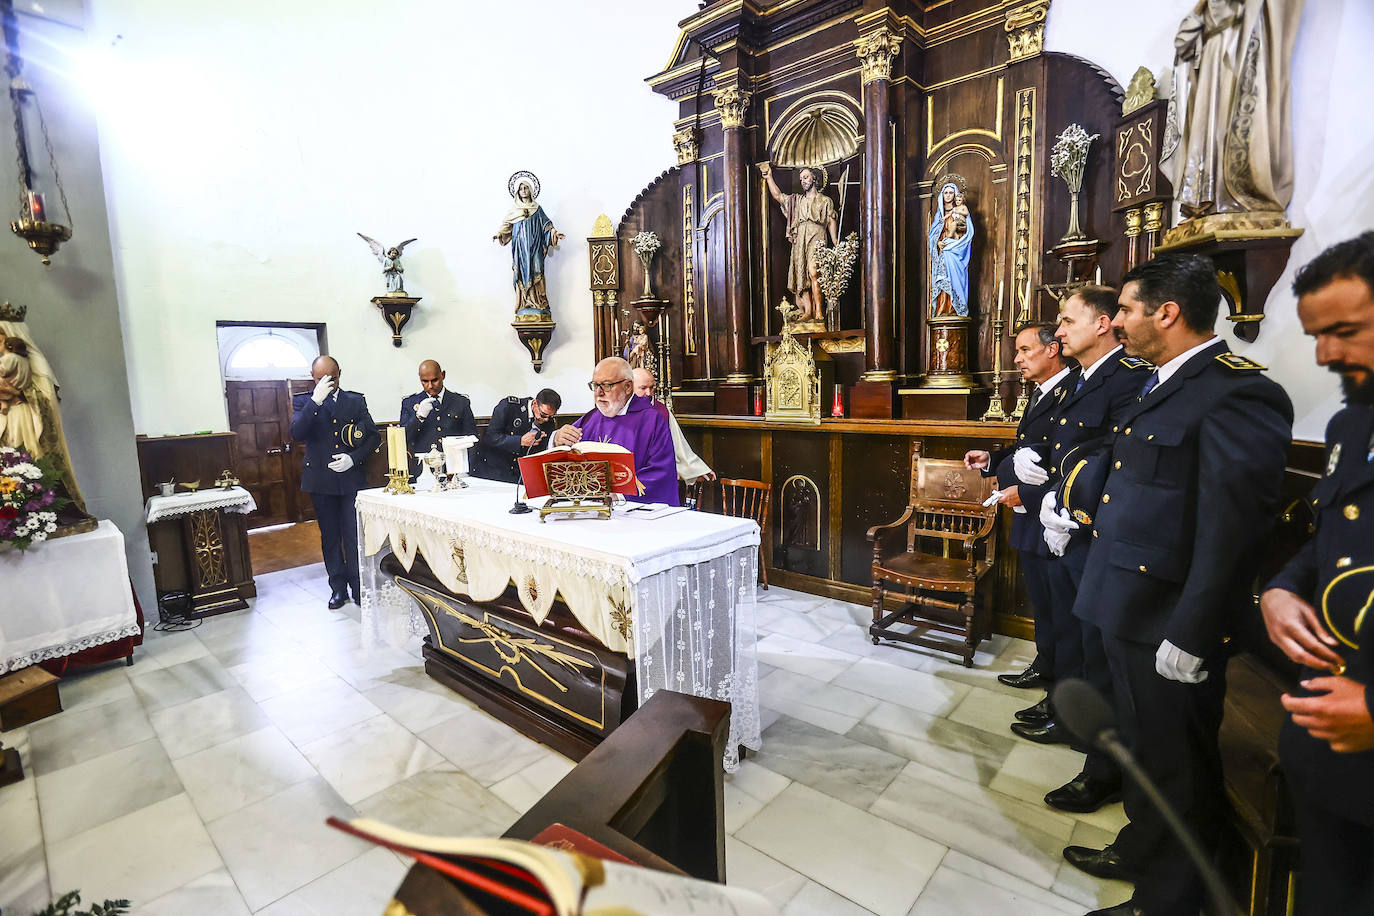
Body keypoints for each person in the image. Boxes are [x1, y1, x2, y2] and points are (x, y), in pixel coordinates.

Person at [1058, 254, 1292, 916]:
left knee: (1178, 767)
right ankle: (1142, 848)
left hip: (1168, 614)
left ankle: (1168, 902)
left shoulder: (1236, 391)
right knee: (1143, 749)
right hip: (1124, 600)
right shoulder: (1163, 382)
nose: (1121, 322)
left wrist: (1195, 629)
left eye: (1127, 309)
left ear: (1167, 312)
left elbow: (1233, 530)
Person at [1260, 232, 1374, 914]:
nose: (1326, 353)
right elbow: (1334, 539)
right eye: (1316, 336)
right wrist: (1278, 588)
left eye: (1345, 331)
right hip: (1330, 757)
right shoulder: (1352, 427)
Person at [1010, 287, 1152, 816]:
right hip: (1065, 524)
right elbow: (1057, 447)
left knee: (1093, 649)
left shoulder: (1129, 379)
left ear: (1103, 324)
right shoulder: (1082, 382)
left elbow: (1111, 457)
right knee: (1081, 643)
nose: (1060, 330)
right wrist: (1036, 483)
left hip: (1093, 530)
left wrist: (1061, 501)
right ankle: (1085, 742)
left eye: (1068, 321)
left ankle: (1099, 765)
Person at [964, 322, 1073, 692]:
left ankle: (1061, 685)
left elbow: (1059, 457)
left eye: (1025, 349)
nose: (1017, 358)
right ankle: (1045, 665)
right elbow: (1025, 447)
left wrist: (1022, 489)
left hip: (1054, 514)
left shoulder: (1072, 391)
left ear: (1052, 349)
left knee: (1060, 605)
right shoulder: (1041, 393)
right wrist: (993, 460)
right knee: (1043, 601)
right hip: (1029, 515)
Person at [290, 356, 381, 609]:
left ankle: (358, 587)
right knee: (330, 536)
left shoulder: (355, 400)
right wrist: (315, 401)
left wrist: (353, 459)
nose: (328, 383)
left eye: (332, 377)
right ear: (312, 376)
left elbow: (373, 437)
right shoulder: (302, 401)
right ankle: (337, 588)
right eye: (321, 379)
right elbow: (297, 433)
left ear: (340, 373)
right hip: (320, 479)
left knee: (353, 536)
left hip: (350, 478)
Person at [550, 357, 677, 505]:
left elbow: (661, 472)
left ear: (628, 387)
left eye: (606, 385)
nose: (598, 393)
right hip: (590, 510)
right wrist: (557, 438)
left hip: (632, 513)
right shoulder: (591, 418)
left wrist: (619, 494)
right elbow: (564, 457)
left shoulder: (652, 420)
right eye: (595, 385)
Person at [758, 163, 838, 324]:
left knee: (814, 271)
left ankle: (819, 311)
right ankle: (808, 311)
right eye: (801, 178)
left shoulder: (825, 200)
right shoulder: (797, 200)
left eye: (806, 177)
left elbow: (830, 220)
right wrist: (769, 177)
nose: (803, 181)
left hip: (817, 236)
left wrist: (835, 242)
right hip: (800, 238)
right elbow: (779, 196)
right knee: (801, 274)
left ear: (814, 179)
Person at [493, 175, 564, 320]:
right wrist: (500, 234)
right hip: (520, 249)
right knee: (521, 274)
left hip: (535, 247)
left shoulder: (537, 209)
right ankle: (524, 303)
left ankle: (539, 303)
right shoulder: (514, 210)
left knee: (537, 271)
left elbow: (546, 225)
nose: (524, 191)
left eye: (526, 188)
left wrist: (554, 233)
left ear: (531, 190)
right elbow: (507, 226)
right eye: (521, 189)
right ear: (517, 192)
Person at [632, 367, 716, 485]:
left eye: (651, 388)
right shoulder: (619, 410)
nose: (649, 393)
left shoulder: (660, 411)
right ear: (629, 387)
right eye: (643, 388)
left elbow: (678, 443)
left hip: (654, 476)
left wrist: (697, 468)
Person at [399, 359, 476, 477]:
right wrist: (419, 416)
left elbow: (472, 438)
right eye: (425, 381)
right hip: (424, 471)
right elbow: (402, 439)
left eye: (434, 380)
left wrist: (467, 469)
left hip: (454, 468)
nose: (430, 386)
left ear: (443, 375)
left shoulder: (460, 402)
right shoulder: (410, 403)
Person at [471, 388, 561, 484]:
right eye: (543, 414)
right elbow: (491, 438)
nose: (546, 419)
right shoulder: (509, 407)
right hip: (496, 470)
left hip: (521, 474)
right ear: (535, 404)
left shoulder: (549, 421)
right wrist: (520, 441)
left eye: (551, 416)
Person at [927, 181, 975, 318]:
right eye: (945, 193)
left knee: (955, 279)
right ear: (942, 195)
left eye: (951, 193)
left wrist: (958, 236)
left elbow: (969, 232)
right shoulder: (939, 216)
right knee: (943, 279)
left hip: (956, 251)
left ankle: (955, 308)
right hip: (944, 251)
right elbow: (932, 237)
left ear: (956, 196)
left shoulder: (961, 211)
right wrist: (938, 243)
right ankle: (942, 309)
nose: (948, 195)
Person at [0, 336, 41, 456]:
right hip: (17, 389)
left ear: (8, 346)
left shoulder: (10, 358)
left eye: (1, 343)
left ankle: (4, 404)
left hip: (9, 388)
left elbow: (3, 371)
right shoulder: (25, 360)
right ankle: (4, 403)